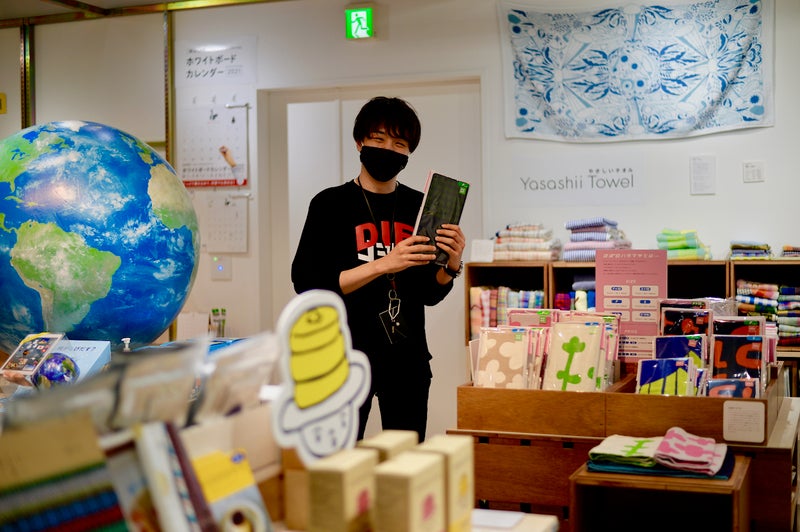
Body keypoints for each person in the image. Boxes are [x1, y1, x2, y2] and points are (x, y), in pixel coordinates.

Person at [291, 96, 466, 442]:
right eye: (378, 139)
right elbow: (307, 283)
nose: (388, 149)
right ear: (360, 142)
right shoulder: (329, 204)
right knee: (340, 458)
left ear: (409, 152)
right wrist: (384, 264)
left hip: (408, 360)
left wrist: (452, 264)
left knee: (406, 461)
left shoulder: (419, 205)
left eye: (399, 144)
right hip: (343, 357)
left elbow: (428, 293)